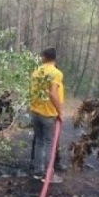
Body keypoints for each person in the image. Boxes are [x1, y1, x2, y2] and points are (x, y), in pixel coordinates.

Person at [29, 47, 65, 183]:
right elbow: (53, 93)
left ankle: (38, 171)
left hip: (35, 112)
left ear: (44, 57)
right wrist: (60, 112)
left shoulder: (36, 72)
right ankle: (48, 175)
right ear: (55, 58)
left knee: (39, 142)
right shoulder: (56, 73)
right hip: (48, 114)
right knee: (50, 144)